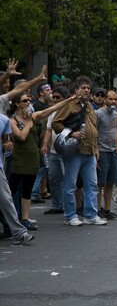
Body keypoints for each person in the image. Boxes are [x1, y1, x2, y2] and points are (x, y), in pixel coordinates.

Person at [9, 91, 74, 230]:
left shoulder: (32, 116)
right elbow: (21, 136)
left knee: (27, 189)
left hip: (33, 157)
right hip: (19, 159)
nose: (28, 103)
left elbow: (51, 109)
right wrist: (27, 122)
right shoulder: (12, 120)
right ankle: (11, 218)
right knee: (13, 189)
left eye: (28, 101)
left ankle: (25, 218)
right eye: (24, 101)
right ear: (17, 104)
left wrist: (69, 100)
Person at [51, 76, 107, 226]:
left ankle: (90, 215)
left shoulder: (89, 106)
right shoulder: (69, 104)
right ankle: (70, 215)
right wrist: (70, 133)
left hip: (89, 151)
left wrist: (95, 148)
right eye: (83, 88)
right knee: (70, 185)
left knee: (92, 185)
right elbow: (56, 123)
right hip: (74, 150)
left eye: (88, 88)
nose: (86, 90)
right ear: (76, 90)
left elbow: (94, 128)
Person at [0, 111, 34, 244]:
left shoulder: (3, 119)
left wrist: (7, 144)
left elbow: (6, 140)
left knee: (6, 199)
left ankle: (19, 233)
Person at [41, 86, 70, 215]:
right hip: (54, 151)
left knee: (69, 179)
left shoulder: (70, 111)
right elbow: (48, 130)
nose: (55, 100)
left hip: (67, 151)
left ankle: (73, 206)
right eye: (54, 97)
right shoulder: (52, 112)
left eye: (58, 97)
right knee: (53, 178)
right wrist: (45, 145)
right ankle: (57, 205)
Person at [95, 89, 117, 220]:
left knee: (110, 182)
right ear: (105, 99)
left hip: (113, 152)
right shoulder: (98, 114)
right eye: (110, 99)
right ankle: (97, 210)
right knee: (100, 183)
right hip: (102, 151)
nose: (113, 101)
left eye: (115, 99)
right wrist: (95, 149)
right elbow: (94, 132)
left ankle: (107, 210)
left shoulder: (116, 115)